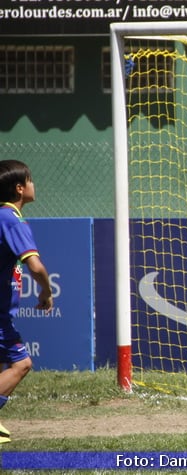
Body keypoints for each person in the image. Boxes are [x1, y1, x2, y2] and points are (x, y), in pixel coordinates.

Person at [0, 160, 53, 444]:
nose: (34, 184)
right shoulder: (11, 218)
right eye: (30, 180)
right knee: (21, 364)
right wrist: (46, 290)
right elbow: (35, 266)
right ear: (20, 188)